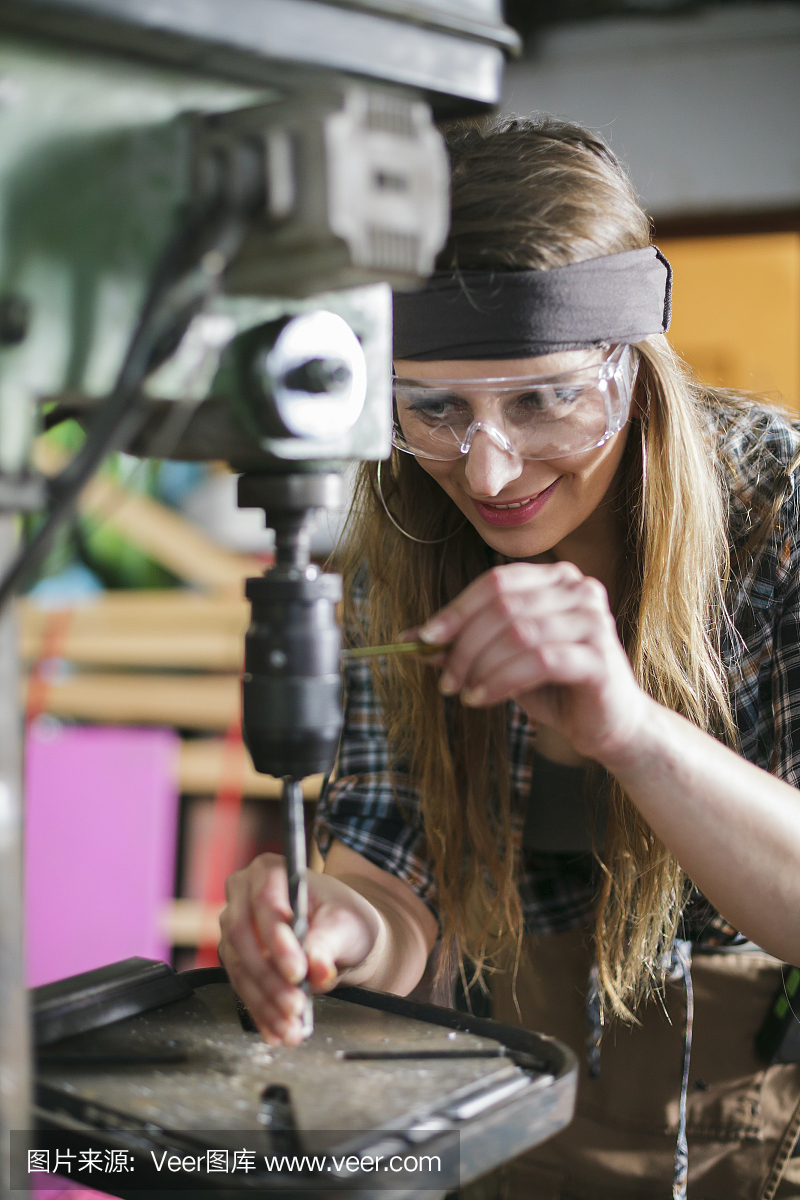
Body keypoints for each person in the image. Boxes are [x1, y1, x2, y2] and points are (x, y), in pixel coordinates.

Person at [218, 117, 800, 1200]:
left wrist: (626, 727)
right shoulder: (401, 536)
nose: (485, 472)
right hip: (501, 1120)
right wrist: (329, 929)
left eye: (542, 401)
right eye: (433, 408)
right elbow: (396, 895)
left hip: (743, 1134)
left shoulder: (774, 514)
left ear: (629, 368)